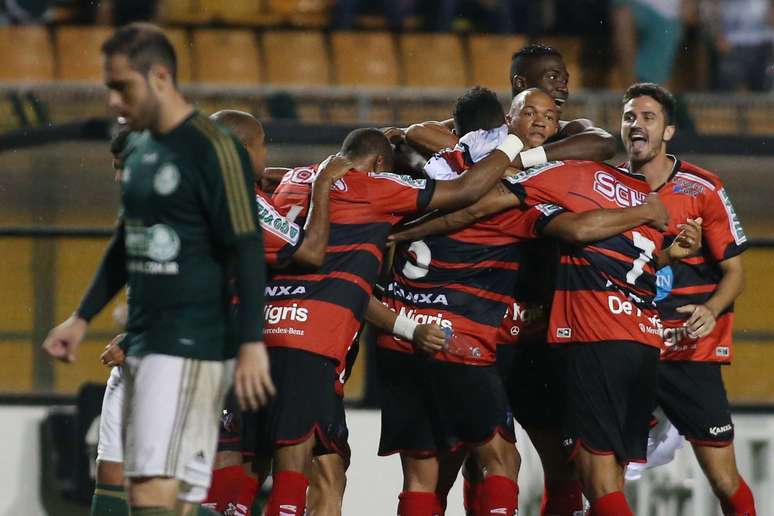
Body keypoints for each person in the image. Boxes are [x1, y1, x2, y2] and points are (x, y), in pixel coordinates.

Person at [42, 23, 273, 515]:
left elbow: (247, 252)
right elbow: (128, 242)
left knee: (151, 490)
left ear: (160, 76)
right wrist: (80, 317)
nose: (111, 99)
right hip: (148, 345)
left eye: (121, 86)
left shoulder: (213, 150)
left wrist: (251, 342)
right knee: (159, 496)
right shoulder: (143, 151)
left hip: (189, 347)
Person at [248, 121, 529, 516]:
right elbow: (466, 192)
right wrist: (516, 141)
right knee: (290, 465)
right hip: (312, 339)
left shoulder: (295, 178)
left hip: (265, 328)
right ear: (379, 163)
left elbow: (354, 287)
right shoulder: (374, 187)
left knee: (323, 468)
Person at [402, 43, 617, 516]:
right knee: (464, 458)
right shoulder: (482, 138)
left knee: (556, 461)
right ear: (519, 85)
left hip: (536, 324)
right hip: (480, 316)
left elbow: (606, 142)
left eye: (564, 77)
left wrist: (524, 159)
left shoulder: (565, 134)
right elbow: (409, 134)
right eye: (551, 76)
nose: (562, 85)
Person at [620, 82, 756, 516]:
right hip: (627, 346)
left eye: (648, 117)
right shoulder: (605, 186)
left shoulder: (703, 189)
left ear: (669, 132)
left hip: (687, 351)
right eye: (629, 117)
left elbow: (735, 272)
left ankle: (668, 427)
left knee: (722, 477)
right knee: (593, 473)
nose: (636, 124)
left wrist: (711, 310)